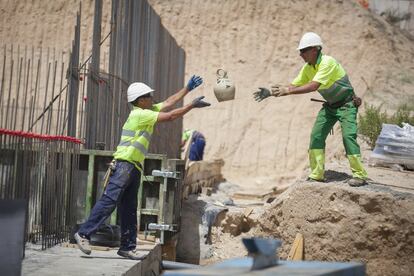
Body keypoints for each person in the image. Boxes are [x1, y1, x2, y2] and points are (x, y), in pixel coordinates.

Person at [74, 75, 210, 260]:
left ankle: (127, 247)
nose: (153, 99)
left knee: (129, 208)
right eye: (149, 96)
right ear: (141, 100)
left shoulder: (146, 110)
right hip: (124, 164)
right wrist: (191, 106)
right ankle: (84, 234)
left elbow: (169, 103)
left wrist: (187, 88)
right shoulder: (140, 114)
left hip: (133, 166)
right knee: (109, 201)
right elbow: (171, 116)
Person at [253, 32, 368, 187]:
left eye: (304, 50)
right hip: (331, 106)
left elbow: (314, 86)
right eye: (300, 51)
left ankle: (359, 175)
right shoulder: (308, 68)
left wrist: (287, 91)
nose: (301, 54)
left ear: (315, 49)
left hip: (347, 105)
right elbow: (294, 85)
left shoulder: (328, 62)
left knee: (348, 137)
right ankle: (316, 174)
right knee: (316, 136)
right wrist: (271, 92)